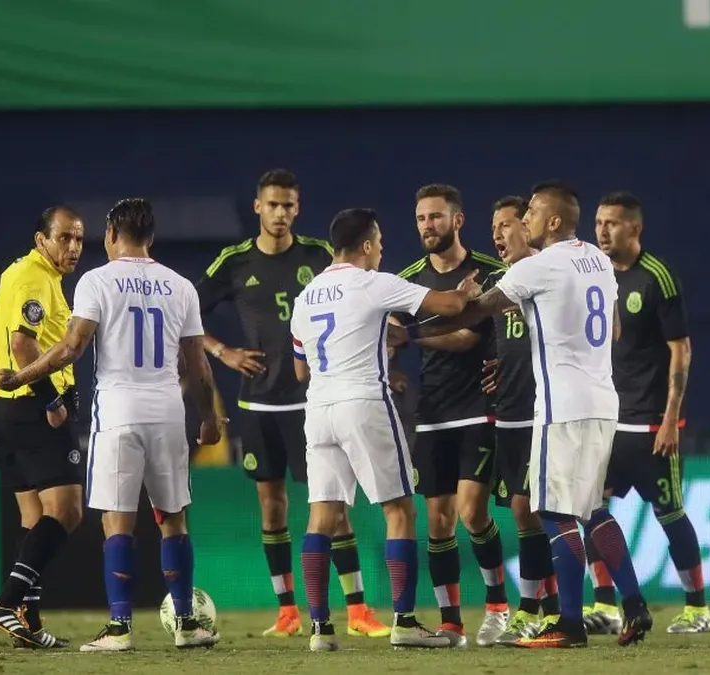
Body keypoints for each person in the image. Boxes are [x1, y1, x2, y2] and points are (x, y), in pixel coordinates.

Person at [395, 181, 652, 648]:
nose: (525, 217)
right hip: (602, 400)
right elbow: (614, 329)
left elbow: (475, 313)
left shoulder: (539, 265)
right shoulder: (597, 260)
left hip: (562, 406)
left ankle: (567, 624)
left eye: (531, 211)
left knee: (553, 512)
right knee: (591, 508)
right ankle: (634, 606)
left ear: (553, 221)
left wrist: (409, 335)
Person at [0, 198, 222, 651]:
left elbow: (70, 348)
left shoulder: (96, 281)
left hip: (117, 414)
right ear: (151, 237)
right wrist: (209, 418)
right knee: (173, 519)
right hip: (168, 413)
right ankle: (187, 624)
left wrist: (21, 377)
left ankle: (119, 628)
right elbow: (197, 365)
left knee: (117, 523)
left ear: (111, 234)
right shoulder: (181, 287)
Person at [197, 170, 388, 638]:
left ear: (297, 209)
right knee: (272, 507)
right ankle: (287, 611)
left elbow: (366, 298)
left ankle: (358, 611)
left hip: (312, 404)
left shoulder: (318, 256)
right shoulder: (235, 261)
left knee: (334, 508)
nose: (280, 213)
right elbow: (187, 312)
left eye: (288, 205)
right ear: (257, 207)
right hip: (258, 406)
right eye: (273, 205)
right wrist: (223, 351)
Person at [291, 208, 481, 652]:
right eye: (378, 243)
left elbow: (300, 370)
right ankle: (405, 623)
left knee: (322, 517)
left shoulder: (306, 296)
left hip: (318, 409)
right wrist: (465, 291)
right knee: (399, 511)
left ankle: (320, 629)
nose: (381, 250)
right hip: (364, 403)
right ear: (365, 245)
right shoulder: (372, 282)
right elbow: (450, 306)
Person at [396, 184, 509, 647]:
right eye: (421, 218)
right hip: (432, 413)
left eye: (436, 217)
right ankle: (451, 623)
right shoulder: (406, 280)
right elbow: (386, 331)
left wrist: (409, 337)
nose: (428, 225)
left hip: (478, 409)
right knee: (438, 521)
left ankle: (498, 607)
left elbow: (467, 336)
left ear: (457, 220)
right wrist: (390, 366)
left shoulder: (487, 272)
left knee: (471, 511)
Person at [593, 192, 709, 634]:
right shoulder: (595, 275)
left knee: (670, 512)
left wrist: (670, 419)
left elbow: (681, 349)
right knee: (592, 509)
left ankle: (697, 608)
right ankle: (605, 605)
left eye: (612, 223)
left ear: (635, 228)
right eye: (599, 222)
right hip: (607, 422)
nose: (602, 231)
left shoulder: (657, 277)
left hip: (650, 424)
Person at [0, 206, 86, 649]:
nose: (73, 247)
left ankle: (29, 623)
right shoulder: (35, 278)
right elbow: (22, 344)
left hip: (8, 411)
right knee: (67, 510)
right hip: (35, 410)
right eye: (64, 238)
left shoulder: (16, 274)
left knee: (33, 517)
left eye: (78, 239)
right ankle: (6, 602)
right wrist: (51, 401)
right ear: (41, 240)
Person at [479, 196, 560, 644]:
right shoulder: (497, 284)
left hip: (541, 413)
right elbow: (492, 341)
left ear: (527, 228)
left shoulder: (550, 276)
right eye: (494, 227)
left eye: (506, 224)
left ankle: (531, 610)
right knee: (524, 513)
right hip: (506, 415)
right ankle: (552, 609)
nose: (497, 233)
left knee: (528, 509)